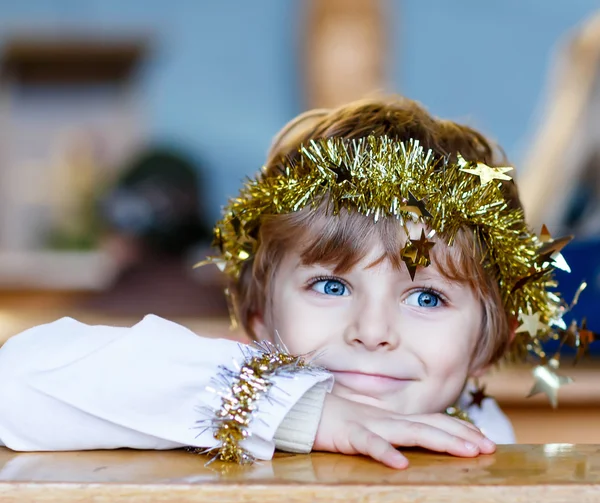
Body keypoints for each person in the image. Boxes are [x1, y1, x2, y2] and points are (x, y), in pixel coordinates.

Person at [0, 97, 578, 469]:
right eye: (331, 287)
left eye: (427, 296)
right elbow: (16, 382)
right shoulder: (214, 393)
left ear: (488, 344)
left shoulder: (485, 432)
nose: (372, 332)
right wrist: (300, 411)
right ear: (259, 318)